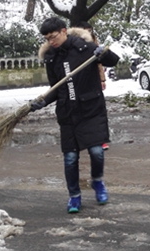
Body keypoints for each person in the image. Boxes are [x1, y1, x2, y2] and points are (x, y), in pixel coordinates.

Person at [30, 17, 120, 213]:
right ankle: (74, 196)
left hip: (91, 110)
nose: (51, 41)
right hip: (68, 113)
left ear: (64, 31)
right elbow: (56, 88)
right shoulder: (51, 58)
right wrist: (43, 101)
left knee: (97, 152)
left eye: (53, 36)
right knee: (70, 158)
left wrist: (103, 52)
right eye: (47, 38)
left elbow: (113, 61)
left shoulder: (85, 48)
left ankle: (97, 182)